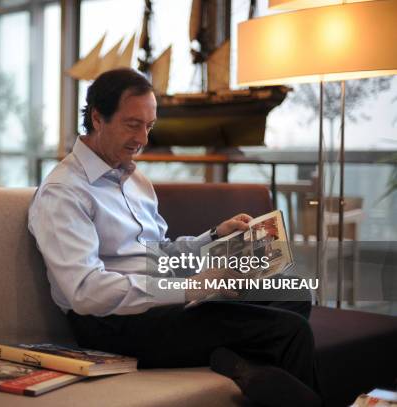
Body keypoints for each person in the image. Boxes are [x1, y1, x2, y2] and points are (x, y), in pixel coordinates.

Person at [28, 68, 321, 407]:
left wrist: (213, 238)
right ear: (97, 118)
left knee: (294, 293)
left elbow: (159, 252)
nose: (143, 138)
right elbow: (85, 292)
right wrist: (191, 287)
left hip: (160, 302)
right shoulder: (64, 192)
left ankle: (239, 363)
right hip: (111, 324)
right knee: (289, 332)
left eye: (149, 126)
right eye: (132, 124)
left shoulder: (133, 180)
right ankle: (244, 364)